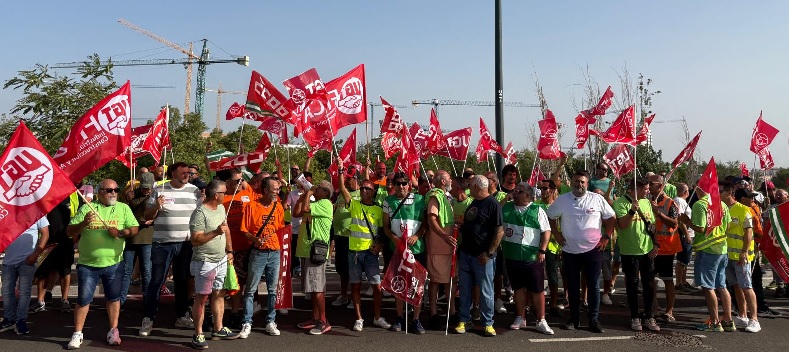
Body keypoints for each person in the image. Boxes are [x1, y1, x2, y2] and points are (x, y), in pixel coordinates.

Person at [66, 179, 139, 349]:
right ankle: (77, 333)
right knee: (83, 299)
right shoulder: (87, 208)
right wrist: (84, 223)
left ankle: (113, 330)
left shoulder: (123, 208)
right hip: (88, 264)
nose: (113, 193)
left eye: (116, 190)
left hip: (114, 263)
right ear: (100, 192)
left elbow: (134, 229)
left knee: (114, 298)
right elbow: (69, 231)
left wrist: (120, 232)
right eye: (109, 190)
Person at [546, 170, 615, 333]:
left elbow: (612, 217)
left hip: (593, 249)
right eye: (576, 181)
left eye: (583, 182)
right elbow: (550, 216)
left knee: (593, 285)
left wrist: (606, 237)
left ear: (587, 183)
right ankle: (574, 319)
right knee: (573, 286)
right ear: (571, 183)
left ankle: (593, 320)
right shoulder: (563, 200)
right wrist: (556, 233)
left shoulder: (596, 199)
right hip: (570, 250)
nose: (579, 185)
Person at [140, 162, 202, 336]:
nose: (187, 175)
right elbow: (146, 215)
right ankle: (148, 317)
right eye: (183, 173)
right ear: (173, 174)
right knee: (157, 281)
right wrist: (156, 206)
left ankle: (181, 315)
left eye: (188, 173)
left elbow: (200, 214)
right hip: (163, 243)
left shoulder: (194, 191)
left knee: (182, 281)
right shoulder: (159, 190)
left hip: (186, 244)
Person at [338, 160, 391, 332]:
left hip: (370, 254)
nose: (363, 191)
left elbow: (382, 231)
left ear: (373, 192)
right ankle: (359, 318)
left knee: (377, 287)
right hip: (354, 252)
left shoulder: (378, 209)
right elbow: (343, 189)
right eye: (362, 188)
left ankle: (377, 317)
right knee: (355, 286)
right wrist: (341, 171)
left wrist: (380, 245)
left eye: (367, 189)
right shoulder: (354, 204)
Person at [188, 180, 239, 348]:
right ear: (216, 195)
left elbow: (226, 230)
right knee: (202, 298)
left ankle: (218, 328)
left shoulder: (221, 208)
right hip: (205, 262)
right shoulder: (200, 213)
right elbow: (195, 240)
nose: (227, 194)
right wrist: (216, 232)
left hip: (221, 259)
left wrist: (229, 251)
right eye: (224, 192)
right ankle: (198, 334)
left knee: (219, 293)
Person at [679, 182, 734, 332]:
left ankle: (715, 322)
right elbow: (728, 225)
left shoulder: (700, 205)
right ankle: (728, 320)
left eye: (695, 188)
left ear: (699, 189)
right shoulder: (721, 203)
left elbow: (700, 228)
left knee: (708, 286)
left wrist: (687, 221)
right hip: (722, 248)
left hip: (707, 250)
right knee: (721, 285)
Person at [501, 182, 554, 335]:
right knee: (517, 288)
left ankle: (541, 320)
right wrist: (505, 199)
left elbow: (546, 231)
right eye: (515, 190)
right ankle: (520, 317)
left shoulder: (537, 209)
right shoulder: (507, 207)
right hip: (512, 255)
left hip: (532, 257)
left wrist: (542, 250)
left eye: (519, 191)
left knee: (537, 289)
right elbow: (494, 212)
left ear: (528, 195)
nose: (515, 193)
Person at [454, 175, 504, 337]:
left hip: (483, 257)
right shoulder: (474, 202)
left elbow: (499, 231)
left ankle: (488, 323)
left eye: (470, 184)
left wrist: (489, 253)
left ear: (476, 186)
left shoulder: (492, 204)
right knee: (465, 289)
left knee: (485, 291)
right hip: (466, 253)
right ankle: (464, 319)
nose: (468, 188)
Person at [239, 177, 286, 338]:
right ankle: (247, 322)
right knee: (250, 290)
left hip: (274, 253)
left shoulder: (278, 206)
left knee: (273, 290)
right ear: (265, 190)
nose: (277, 192)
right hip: (258, 253)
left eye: (278, 189)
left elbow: (280, 228)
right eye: (275, 189)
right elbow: (244, 230)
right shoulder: (251, 206)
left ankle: (271, 321)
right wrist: (255, 239)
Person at [382, 172, 428, 334]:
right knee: (398, 283)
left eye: (404, 183)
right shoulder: (388, 200)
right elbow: (385, 227)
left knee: (417, 284)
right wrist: (394, 238)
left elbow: (425, 224)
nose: (401, 186)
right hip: (397, 250)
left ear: (409, 185)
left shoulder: (420, 199)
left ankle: (416, 319)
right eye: (398, 183)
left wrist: (417, 236)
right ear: (394, 185)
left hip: (417, 249)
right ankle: (399, 317)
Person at [615, 177, 660, 331]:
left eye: (648, 188)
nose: (648, 191)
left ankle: (649, 316)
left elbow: (652, 225)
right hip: (629, 251)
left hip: (647, 250)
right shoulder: (620, 202)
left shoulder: (646, 202)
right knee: (632, 284)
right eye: (645, 189)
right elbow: (622, 225)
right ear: (635, 189)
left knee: (649, 284)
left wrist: (656, 244)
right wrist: (632, 211)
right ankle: (634, 317)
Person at [294, 181, 335, 335]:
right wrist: (303, 196)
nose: (315, 189)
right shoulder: (315, 204)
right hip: (307, 250)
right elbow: (296, 213)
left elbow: (305, 209)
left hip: (316, 251)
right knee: (312, 287)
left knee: (317, 288)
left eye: (318, 188)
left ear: (325, 192)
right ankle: (315, 317)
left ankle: (323, 321)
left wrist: (309, 193)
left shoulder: (326, 203)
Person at [1, 217, 49, 335]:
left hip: (27, 260)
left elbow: (45, 233)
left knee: (24, 292)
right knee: (7, 292)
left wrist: (36, 254)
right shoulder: (8, 211)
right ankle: (9, 319)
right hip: (9, 260)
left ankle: (21, 320)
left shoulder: (36, 210)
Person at [221, 169, 256, 328]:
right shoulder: (220, 197)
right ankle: (219, 315)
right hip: (225, 249)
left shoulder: (247, 194)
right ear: (227, 182)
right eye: (237, 181)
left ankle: (236, 313)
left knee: (240, 283)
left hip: (245, 248)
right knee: (224, 284)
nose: (241, 183)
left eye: (242, 180)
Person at [724, 188, 761, 333]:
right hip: (727, 255)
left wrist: (744, 251)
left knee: (746, 286)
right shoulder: (723, 208)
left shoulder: (744, 210)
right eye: (749, 197)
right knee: (736, 286)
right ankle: (743, 315)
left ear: (730, 194)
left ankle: (754, 320)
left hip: (741, 256)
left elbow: (749, 232)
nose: (752, 199)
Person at [426, 170, 457, 329]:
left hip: (450, 246)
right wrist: (444, 235)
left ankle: (452, 311)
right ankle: (433, 313)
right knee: (435, 281)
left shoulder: (447, 197)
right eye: (449, 178)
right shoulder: (435, 196)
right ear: (443, 181)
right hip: (438, 246)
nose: (451, 180)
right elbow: (431, 220)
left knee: (451, 280)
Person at [33, 196, 76, 313]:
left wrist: (74, 239)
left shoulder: (73, 197)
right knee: (43, 272)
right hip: (48, 241)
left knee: (65, 271)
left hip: (66, 241)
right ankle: (40, 302)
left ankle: (65, 301)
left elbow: (77, 218)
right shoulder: (46, 197)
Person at [648, 174, 680, 322]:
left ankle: (669, 311)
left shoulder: (670, 203)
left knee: (667, 279)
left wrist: (658, 213)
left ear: (660, 186)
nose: (648, 186)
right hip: (650, 246)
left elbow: (674, 223)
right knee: (650, 279)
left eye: (651, 183)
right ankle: (653, 308)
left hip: (666, 247)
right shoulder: (647, 200)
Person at [119, 172, 155, 306]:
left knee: (146, 270)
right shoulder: (132, 194)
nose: (146, 190)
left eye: (148, 187)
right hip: (131, 237)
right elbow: (122, 209)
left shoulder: (156, 195)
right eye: (144, 187)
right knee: (126, 271)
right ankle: (120, 301)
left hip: (147, 237)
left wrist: (153, 219)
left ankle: (148, 302)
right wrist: (126, 196)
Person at [330, 170, 360, 308]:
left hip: (352, 237)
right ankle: (343, 296)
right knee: (342, 270)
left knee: (353, 270)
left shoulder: (359, 194)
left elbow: (341, 186)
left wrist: (340, 170)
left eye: (350, 178)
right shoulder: (341, 194)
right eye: (346, 178)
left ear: (356, 179)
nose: (347, 181)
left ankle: (355, 299)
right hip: (340, 237)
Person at [536, 180, 565, 317]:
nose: (542, 191)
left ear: (553, 190)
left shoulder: (559, 206)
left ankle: (553, 305)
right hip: (537, 247)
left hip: (553, 247)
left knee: (553, 277)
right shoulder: (536, 205)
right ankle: (531, 305)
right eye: (540, 188)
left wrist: (561, 246)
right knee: (535, 276)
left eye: (545, 188)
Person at [674, 183, 697, 294]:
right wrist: (686, 234)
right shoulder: (679, 201)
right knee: (682, 260)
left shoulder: (682, 201)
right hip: (684, 235)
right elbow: (680, 219)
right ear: (685, 192)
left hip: (689, 234)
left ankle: (683, 281)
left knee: (686, 260)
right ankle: (678, 283)